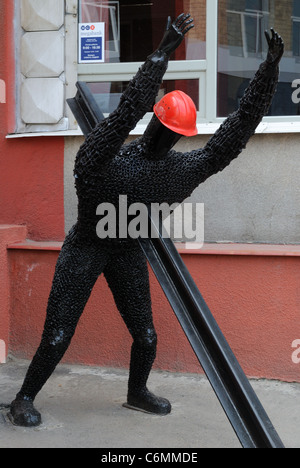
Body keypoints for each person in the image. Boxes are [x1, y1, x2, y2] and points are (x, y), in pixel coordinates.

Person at [9, 14, 284, 427]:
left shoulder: (181, 171)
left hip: (126, 250)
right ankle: (23, 398)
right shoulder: (104, 161)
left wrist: (268, 71)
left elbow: (234, 135)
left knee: (148, 336)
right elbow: (122, 116)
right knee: (57, 335)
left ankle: (137, 391)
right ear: (153, 120)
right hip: (86, 247)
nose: (167, 136)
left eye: (173, 132)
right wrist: (160, 55)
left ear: (177, 133)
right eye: (164, 126)